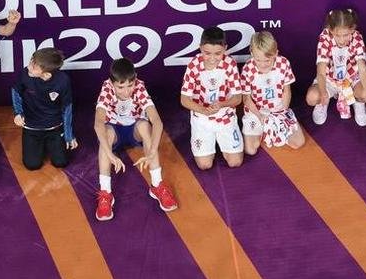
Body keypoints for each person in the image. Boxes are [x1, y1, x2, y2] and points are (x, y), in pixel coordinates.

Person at [93, 57, 177, 222]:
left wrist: (152, 150)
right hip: (115, 131)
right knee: (106, 133)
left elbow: (157, 121)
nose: (126, 91)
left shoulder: (139, 86)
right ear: (112, 83)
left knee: (145, 126)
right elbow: (97, 124)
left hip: (134, 131)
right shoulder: (106, 89)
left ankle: (157, 185)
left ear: (135, 79)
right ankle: (105, 193)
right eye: (121, 87)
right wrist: (110, 155)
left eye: (130, 85)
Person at [179, 26, 245, 169]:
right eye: (207, 53)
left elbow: (237, 98)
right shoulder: (193, 65)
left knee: (235, 162)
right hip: (202, 118)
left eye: (218, 53)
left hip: (225, 116)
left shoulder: (230, 64)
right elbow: (184, 100)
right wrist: (203, 109)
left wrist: (221, 104)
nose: (212, 58)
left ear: (225, 48)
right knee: (204, 165)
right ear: (200, 47)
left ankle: (222, 141)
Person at [307, 8, 366, 126]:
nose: (342, 40)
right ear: (330, 30)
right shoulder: (324, 37)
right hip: (330, 80)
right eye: (337, 35)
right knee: (312, 98)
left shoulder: (357, 37)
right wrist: (323, 93)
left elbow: (363, 69)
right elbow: (321, 72)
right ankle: (324, 102)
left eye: (346, 35)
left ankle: (358, 101)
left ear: (352, 29)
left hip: (352, 80)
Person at [11, 47, 76, 170]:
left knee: (61, 162)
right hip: (32, 126)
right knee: (32, 165)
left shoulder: (63, 81)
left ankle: (51, 144)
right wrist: (18, 113)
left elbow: (67, 107)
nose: (29, 66)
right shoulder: (25, 74)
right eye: (31, 61)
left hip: (54, 127)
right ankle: (39, 145)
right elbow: (16, 91)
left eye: (34, 66)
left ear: (46, 74)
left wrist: (68, 134)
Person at [240, 31, 304, 154]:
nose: (263, 64)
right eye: (258, 60)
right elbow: (247, 99)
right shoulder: (248, 69)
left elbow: (287, 91)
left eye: (267, 60)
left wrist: (282, 114)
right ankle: (264, 130)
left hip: (279, 109)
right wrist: (260, 117)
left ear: (276, 53)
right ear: (252, 53)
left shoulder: (283, 63)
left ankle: (271, 130)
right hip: (257, 111)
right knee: (251, 150)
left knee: (297, 143)